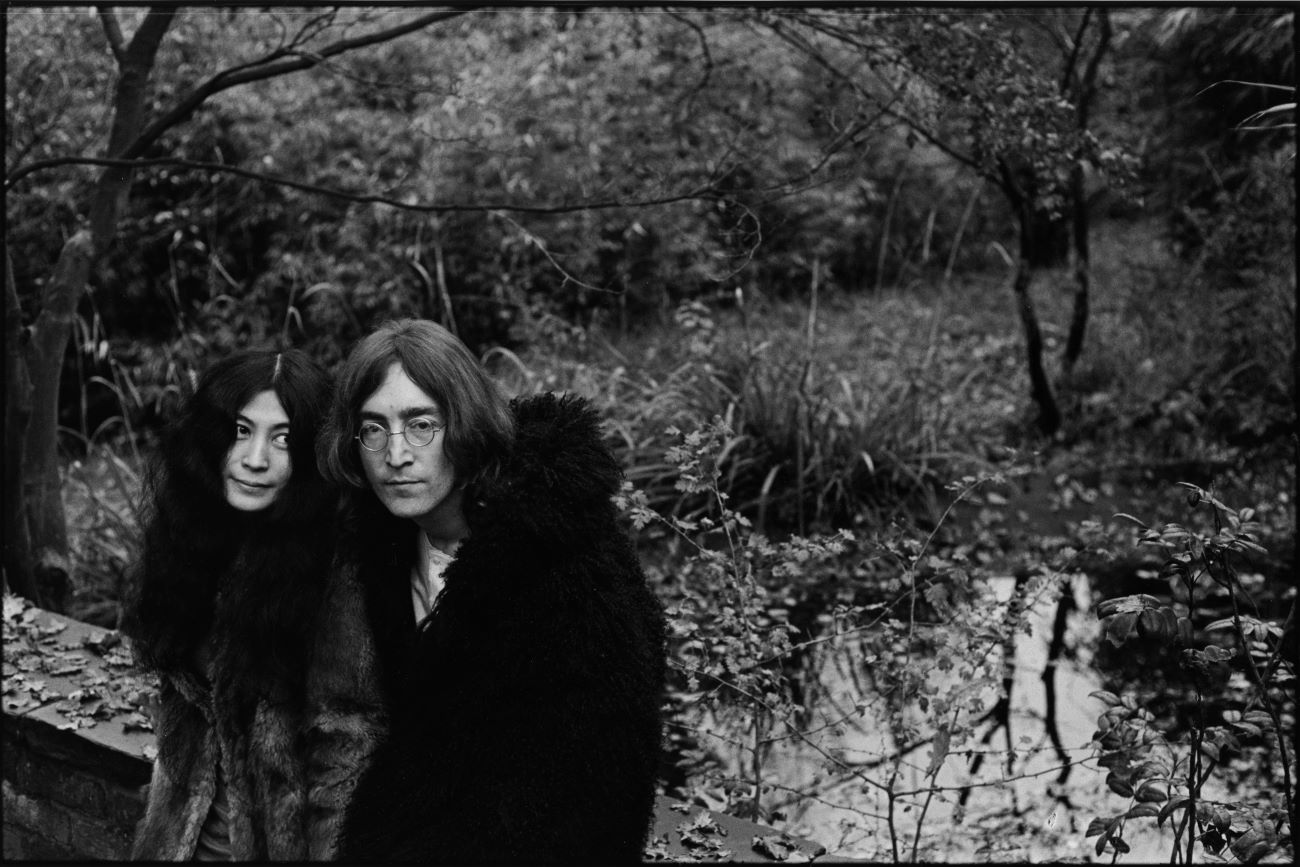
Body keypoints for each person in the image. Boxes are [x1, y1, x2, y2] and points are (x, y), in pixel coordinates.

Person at [305, 318, 665, 862]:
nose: (395, 454)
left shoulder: (574, 576)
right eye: (374, 428)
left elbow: (597, 800)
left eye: (421, 424)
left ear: (466, 424)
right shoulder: (384, 543)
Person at [124, 349, 335, 860]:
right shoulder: (192, 544)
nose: (255, 458)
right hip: (179, 841)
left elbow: (345, 751)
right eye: (242, 430)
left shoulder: (333, 571)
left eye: (282, 439)